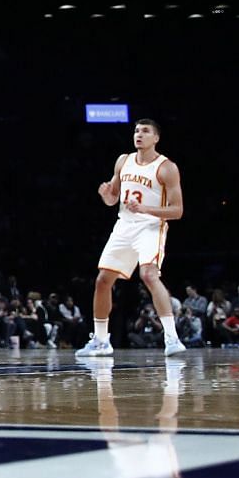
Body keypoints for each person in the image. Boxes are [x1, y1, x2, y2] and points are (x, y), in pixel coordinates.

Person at [76, 119, 186, 358]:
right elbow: (113, 199)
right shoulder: (123, 160)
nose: (139, 134)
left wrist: (145, 209)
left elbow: (177, 211)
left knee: (148, 274)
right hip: (124, 225)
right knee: (103, 280)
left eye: (145, 131)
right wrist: (106, 195)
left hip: (150, 226)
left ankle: (172, 338)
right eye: (136, 130)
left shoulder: (166, 167)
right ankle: (101, 341)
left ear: (156, 138)